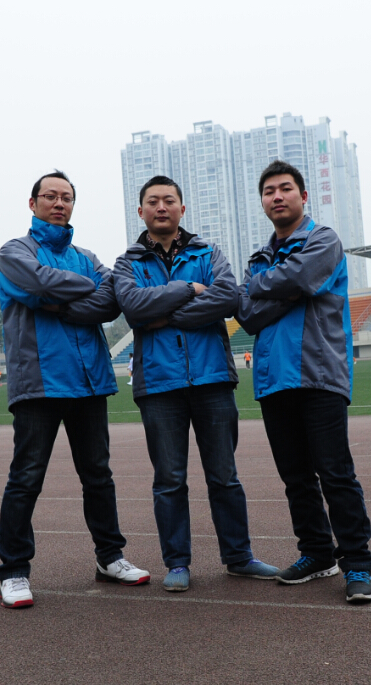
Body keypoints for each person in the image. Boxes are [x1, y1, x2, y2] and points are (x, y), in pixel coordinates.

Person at [115, 175, 278, 593]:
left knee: (224, 476)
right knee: (169, 480)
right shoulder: (128, 262)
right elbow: (133, 307)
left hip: (212, 379)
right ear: (141, 211)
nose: (162, 207)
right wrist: (187, 289)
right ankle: (177, 562)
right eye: (153, 201)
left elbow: (226, 297)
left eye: (169, 200)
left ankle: (239, 557)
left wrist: (164, 316)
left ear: (182, 208)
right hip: (159, 385)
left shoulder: (208, 252)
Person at [0, 169, 149, 608]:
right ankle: (14, 571)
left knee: (98, 476)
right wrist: (82, 288)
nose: (59, 203)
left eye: (66, 197)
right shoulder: (14, 251)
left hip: (89, 380)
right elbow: (37, 283)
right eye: (50, 196)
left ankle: (110, 557)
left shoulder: (87, 256)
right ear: (33, 204)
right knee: (26, 478)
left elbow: (111, 298)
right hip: (39, 383)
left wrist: (62, 302)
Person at [237, 160, 371, 604]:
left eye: (285, 188)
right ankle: (317, 553)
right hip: (273, 379)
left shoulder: (323, 240)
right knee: (296, 477)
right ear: (263, 202)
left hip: (319, 374)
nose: (277, 196)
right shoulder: (258, 258)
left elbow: (300, 277)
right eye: (269, 192)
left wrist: (271, 287)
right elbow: (248, 315)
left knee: (335, 474)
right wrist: (288, 289)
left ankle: (357, 563)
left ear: (303, 196)